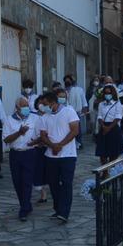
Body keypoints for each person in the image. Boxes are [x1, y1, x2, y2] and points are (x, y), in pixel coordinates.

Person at [34, 92, 80, 223]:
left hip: (68, 155)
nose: (43, 106)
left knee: (66, 183)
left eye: (45, 104)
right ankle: (58, 209)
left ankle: (64, 212)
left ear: (53, 103)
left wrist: (60, 145)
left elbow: (74, 130)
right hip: (51, 156)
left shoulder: (68, 111)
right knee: (53, 184)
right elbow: (43, 135)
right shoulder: (45, 117)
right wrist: (52, 146)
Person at [2, 97, 40, 221]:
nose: (26, 108)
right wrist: (19, 132)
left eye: (27, 106)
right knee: (17, 181)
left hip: (30, 152)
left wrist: (36, 142)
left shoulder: (35, 118)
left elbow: (41, 134)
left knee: (27, 181)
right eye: (23, 106)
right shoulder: (9, 120)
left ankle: (24, 209)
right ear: (17, 108)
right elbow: (6, 139)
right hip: (15, 154)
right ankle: (26, 205)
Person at [95, 85, 123, 165]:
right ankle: (104, 171)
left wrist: (109, 128)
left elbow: (118, 117)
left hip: (113, 127)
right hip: (103, 127)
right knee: (102, 153)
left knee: (113, 153)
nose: (107, 94)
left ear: (113, 93)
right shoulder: (101, 104)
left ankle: (111, 170)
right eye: (105, 93)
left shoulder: (117, 103)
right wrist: (103, 126)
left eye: (109, 93)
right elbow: (99, 116)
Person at [61, 76, 87, 151]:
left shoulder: (78, 90)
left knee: (77, 128)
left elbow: (83, 100)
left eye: (68, 81)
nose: (67, 82)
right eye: (66, 81)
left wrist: (84, 108)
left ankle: (79, 142)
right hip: (65, 111)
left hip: (75, 111)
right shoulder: (63, 91)